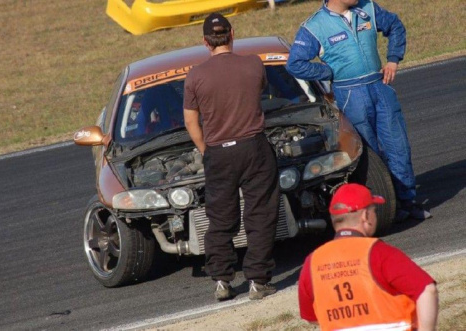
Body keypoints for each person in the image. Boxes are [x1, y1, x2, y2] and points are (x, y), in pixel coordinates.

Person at [286, 0, 431, 221]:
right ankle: (382, 208)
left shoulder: (369, 8)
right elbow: (295, 63)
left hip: (379, 87)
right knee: (369, 155)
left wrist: (393, 60)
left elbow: (395, 26)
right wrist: (327, 71)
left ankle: (407, 202)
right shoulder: (314, 27)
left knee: (398, 147)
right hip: (349, 94)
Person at [183, 13, 280, 301]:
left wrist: (206, 150)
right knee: (260, 214)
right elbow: (259, 91)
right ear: (232, 34)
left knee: (221, 218)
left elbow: (191, 122)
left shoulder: (195, 75)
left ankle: (222, 281)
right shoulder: (253, 64)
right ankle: (258, 281)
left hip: (218, 152)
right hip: (254, 147)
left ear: (205, 42)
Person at [298, 183, 439, 330]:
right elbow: (427, 290)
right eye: (374, 210)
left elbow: (312, 318)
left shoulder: (312, 262)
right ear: (366, 216)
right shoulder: (378, 253)